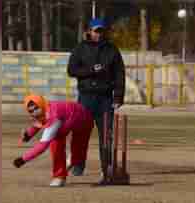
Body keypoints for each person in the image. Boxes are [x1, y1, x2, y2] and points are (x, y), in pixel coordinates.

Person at [67, 18, 125, 185]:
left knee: (106, 135)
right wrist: (91, 70)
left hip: (106, 98)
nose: (99, 34)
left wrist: (118, 96)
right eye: (96, 31)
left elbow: (119, 74)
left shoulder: (112, 50)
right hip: (86, 97)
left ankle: (105, 169)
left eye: (101, 31)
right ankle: (78, 165)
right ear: (89, 31)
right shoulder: (80, 48)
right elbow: (71, 70)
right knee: (80, 133)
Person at [12, 94, 94, 187]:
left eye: (36, 108)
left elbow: (42, 146)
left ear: (41, 104)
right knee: (56, 145)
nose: (35, 112)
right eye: (31, 111)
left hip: (84, 119)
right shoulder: (44, 109)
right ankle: (59, 176)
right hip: (65, 121)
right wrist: (28, 135)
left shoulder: (53, 117)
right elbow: (39, 122)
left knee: (77, 151)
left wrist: (23, 159)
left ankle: (72, 160)